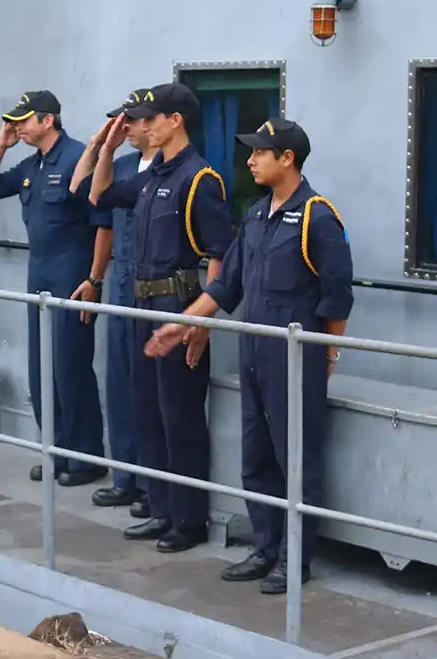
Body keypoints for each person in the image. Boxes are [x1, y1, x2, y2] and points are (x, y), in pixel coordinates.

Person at [145, 118, 352, 594]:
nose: (250, 160)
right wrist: (183, 324)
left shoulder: (318, 218)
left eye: (261, 152)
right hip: (254, 353)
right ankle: (265, 545)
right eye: (252, 152)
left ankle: (293, 559)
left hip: (293, 358)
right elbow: (225, 285)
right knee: (256, 456)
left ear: (288, 159)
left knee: (296, 459)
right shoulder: (258, 215)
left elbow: (337, 295)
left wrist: (328, 352)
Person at [88, 82, 233, 552]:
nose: (142, 126)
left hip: (177, 302)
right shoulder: (153, 177)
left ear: (176, 121)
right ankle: (158, 505)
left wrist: (199, 324)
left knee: (180, 416)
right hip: (142, 303)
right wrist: (107, 148)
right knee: (146, 409)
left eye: (151, 119)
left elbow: (220, 256)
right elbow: (101, 194)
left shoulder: (200, 178)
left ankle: (188, 520)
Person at [0, 91, 109, 486]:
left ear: (48, 120)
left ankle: (85, 458)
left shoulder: (77, 159)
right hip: (39, 279)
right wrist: (1, 146)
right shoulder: (33, 164)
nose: (17, 127)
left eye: (23, 120)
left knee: (71, 369)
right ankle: (55, 449)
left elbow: (103, 223)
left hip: (72, 277)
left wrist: (94, 279)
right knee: (42, 371)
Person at [70, 88, 156, 513]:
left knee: (150, 387)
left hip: (155, 281)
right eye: (119, 121)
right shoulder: (119, 167)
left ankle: (152, 484)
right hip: (121, 277)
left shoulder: (168, 170)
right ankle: (125, 476)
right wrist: (98, 146)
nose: (125, 129)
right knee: (118, 381)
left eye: (131, 121)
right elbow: (81, 191)